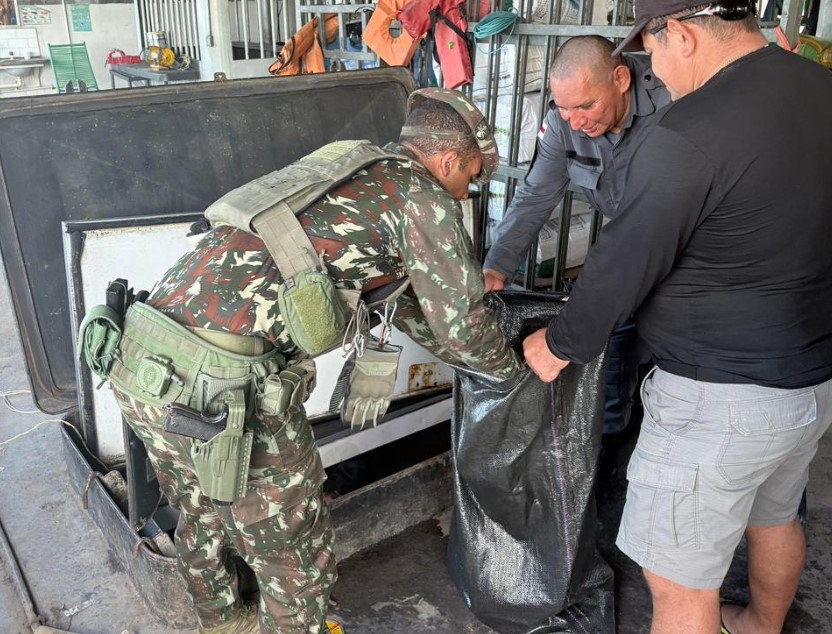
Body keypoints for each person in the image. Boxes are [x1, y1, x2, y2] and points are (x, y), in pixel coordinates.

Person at [92, 88, 522, 634]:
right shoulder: (424, 197)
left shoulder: (346, 163)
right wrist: (512, 372)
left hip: (139, 356)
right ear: (450, 161)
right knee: (294, 554)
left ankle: (224, 623)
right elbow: (461, 329)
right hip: (219, 390)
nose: (466, 193)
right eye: (471, 179)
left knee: (201, 510)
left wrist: (453, 310)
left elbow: (410, 305)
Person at [522, 1, 832, 632]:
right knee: (775, 518)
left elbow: (624, 260)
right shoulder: (820, 88)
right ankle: (759, 626)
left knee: (681, 582)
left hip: (716, 402)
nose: (654, 70)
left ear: (681, 35)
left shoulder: (689, 131)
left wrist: (558, 344)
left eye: (653, 53)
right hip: (808, 378)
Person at [482, 35, 671, 451]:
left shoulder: (672, 103)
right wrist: (497, 266)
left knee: (675, 384)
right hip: (626, 263)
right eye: (565, 108)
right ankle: (607, 478)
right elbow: (535, 196)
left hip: (681, 268)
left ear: (621, 79)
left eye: (585, 106)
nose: (576, 120)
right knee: (613, 377)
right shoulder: (565, 124)